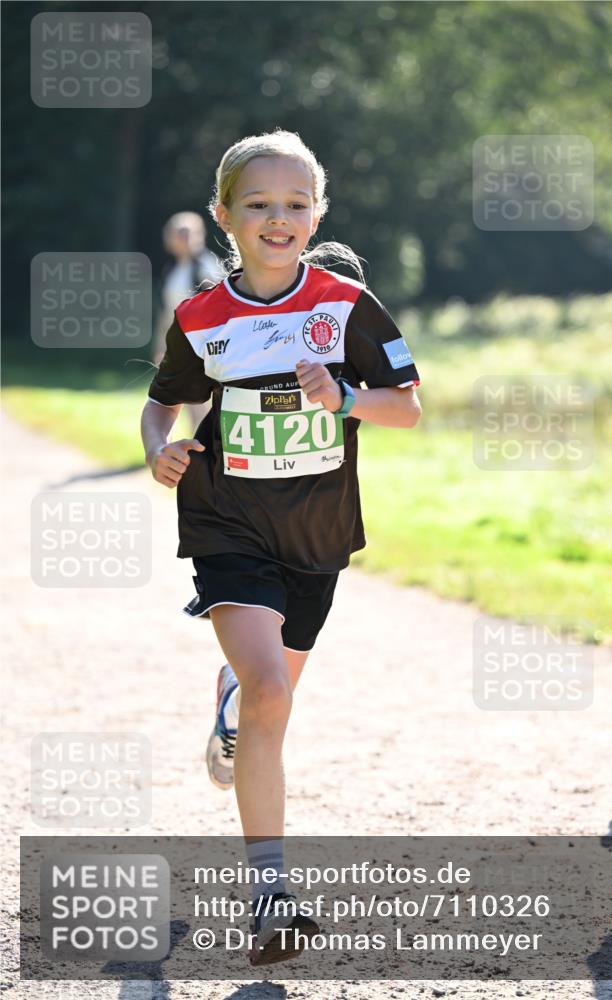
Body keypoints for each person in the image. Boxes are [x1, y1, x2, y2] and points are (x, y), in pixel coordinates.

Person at [140, 128, 421, 966]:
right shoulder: (202, 315)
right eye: (258, 205)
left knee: (268, 700)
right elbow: (164, 402)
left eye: (295, 204)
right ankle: (270, 895)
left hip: (317, 531)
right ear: (224, 215)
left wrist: (344, 396)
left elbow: (406, 407)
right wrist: (161, 445)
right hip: (226, 521)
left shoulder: (346, 305)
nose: (278, 217)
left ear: (317, 213)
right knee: (270, 691)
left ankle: (231, 709)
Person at [152, 211, 222, 432]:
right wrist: (161, 347)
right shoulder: (172, 270)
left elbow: (220, 310)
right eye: (178, 233)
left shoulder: (206, 267)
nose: (183, 238)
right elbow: (167, 315)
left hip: (203, 346)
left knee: (201, 403)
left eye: (187, 232)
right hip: (182, 345)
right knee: (184, 403)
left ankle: (205, 452)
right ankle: (196, 448)